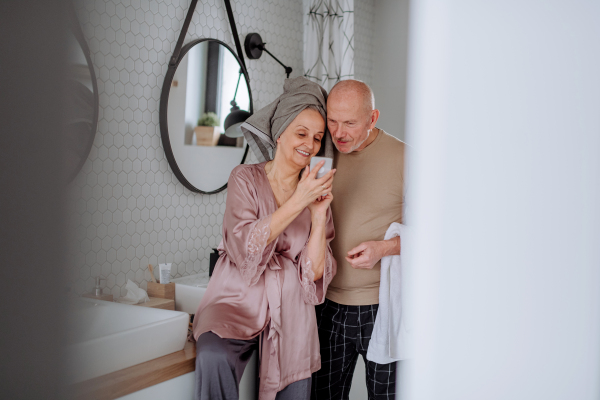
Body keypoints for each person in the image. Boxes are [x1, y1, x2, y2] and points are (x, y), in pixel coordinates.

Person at [192, 77, 337, 400]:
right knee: (213, 356)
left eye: (317, 138)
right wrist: (298, 200)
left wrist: (317, 214)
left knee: (296, 384)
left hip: (290, 309)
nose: (310, 145)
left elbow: (313, 273)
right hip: (236, 300)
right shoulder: (244, 177)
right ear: (280, 133)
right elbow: (244, 244)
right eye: (301, 134)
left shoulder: (316, 192)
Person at [311, 80, 406, 400]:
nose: (338, 133)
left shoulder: (406, 158)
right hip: (328, 306)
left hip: (383, 308)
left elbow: (437, 233)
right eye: (332, 121)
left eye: (350, 123)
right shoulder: (319, 155)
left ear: (373, 118)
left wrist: (386, 248)